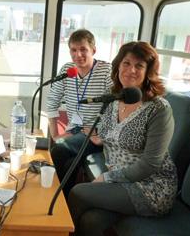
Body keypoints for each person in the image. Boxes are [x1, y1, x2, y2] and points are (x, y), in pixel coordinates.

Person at [68, 41, 178, 236]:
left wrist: (107, 177)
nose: (131, 70)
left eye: (139, 66)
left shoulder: (159, 109)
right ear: (118, 66)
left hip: (151, 187)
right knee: (91, 221)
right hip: (121, 180)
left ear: (148, 72)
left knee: (78, 192)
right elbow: (107, 132)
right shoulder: (116, 99)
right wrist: (100, 138)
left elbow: (150, 165)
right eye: (126, 63)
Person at [46, 29, 112, 196]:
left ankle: (58, 197)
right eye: (74, 50)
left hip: (95, 132)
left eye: (83, 49)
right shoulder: (67, 70)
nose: (78, 55)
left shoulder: (106, 72)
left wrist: (99, 132)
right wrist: (55, 135)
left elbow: (115, 109)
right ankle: (63, 199)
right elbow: (52, 102)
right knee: (66, 159)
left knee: (59, 151)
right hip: (73, 130)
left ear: (93, 50)